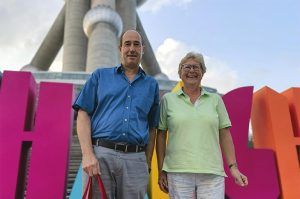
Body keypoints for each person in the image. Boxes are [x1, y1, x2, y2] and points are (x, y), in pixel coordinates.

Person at [72, 30, 160, 199]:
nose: (132, 49)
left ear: (143, 49)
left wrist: (146, 163)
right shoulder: (100, 76)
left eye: (136, 44)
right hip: (100, 155)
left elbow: (152, 127)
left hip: (136, 160)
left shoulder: (151, 85)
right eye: (127, 44)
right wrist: (88, 154)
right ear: (120, 48)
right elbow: (83, 114)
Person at [156, 52, 248, 199]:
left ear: (203, 72)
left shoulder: (215, 100)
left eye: (196, 67)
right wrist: (161, 170)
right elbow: (160, 136)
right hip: (178, 173)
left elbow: (225, 135)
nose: (191, 70)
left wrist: (233, 168)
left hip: (212, 174)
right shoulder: (168, 100)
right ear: (180, 72)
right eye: (187, 67)